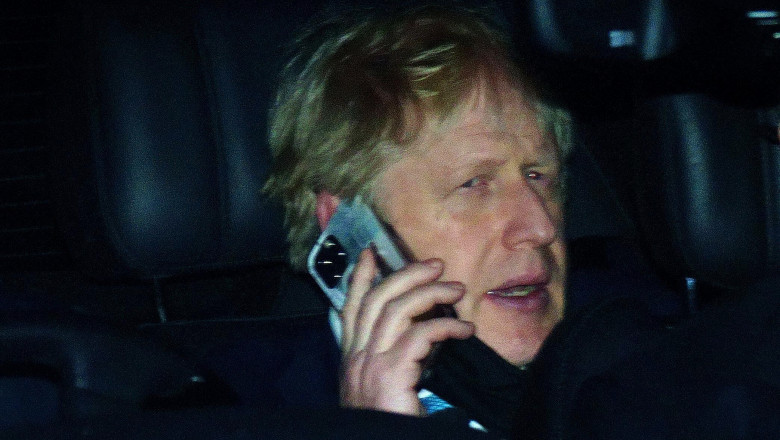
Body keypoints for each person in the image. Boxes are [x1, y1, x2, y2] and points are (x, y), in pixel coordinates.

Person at [264, 4, 571, 436]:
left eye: (539, 176)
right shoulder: (240, 412)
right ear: (352, 229)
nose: (540, 229)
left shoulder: (648, 356)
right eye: (473, 184)